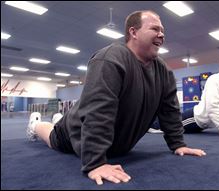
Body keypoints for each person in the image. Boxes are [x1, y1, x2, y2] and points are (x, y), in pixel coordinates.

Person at [26, 10, 206, 186]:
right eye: (155, 29)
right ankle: (35, 125)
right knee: (52, 136)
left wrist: (178, 144)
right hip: (75, 133)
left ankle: (57, 119)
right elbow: (99, 110)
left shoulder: (163, 71)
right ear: (133, 32)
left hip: (116, 143)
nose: (161, 35)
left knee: (61, 123)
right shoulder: (111, 59)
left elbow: (170, 111)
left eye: (163, 31)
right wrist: (96, 163)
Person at [151, 56, 219, 137]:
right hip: (195, 118)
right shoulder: (215, 79)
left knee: (170, 122)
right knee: (168, 126)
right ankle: (148, 122)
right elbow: (213, 105)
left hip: (202, 125)